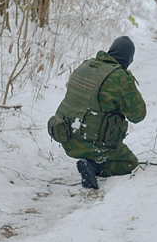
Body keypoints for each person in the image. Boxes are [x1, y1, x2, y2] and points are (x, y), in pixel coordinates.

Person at [47, 36, 147, 190]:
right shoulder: (120, 77)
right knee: (129, 163)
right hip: (93, 144)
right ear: (128, 58)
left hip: (67, 138)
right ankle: (95, 166)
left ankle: (91, 158)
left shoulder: (86, 65)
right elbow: (138, 115)